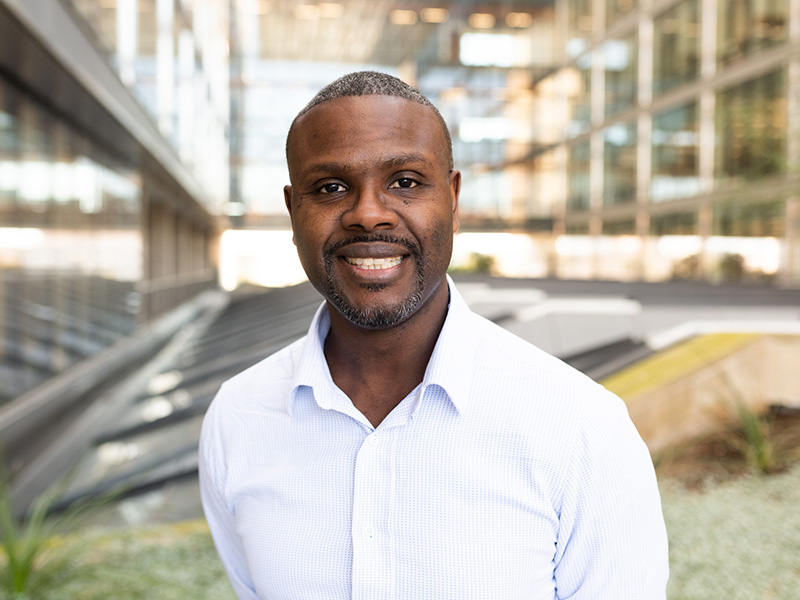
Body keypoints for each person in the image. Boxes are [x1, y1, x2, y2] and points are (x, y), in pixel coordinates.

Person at [199, 71, 669, 599]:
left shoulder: (581, 427)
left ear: (452, 198)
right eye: (331, 187)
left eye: (404, 181)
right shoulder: (237, 418)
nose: (369, 215)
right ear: (292, 211)